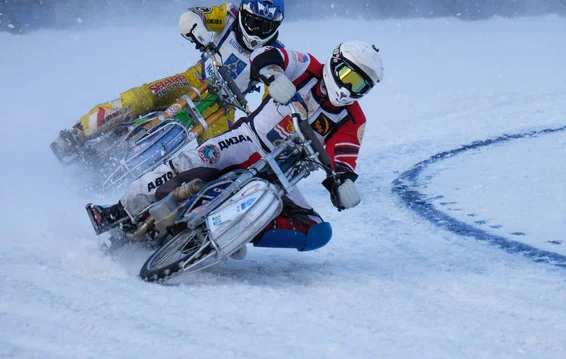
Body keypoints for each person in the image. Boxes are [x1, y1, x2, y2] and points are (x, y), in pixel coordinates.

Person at [89, 40, 384, 255]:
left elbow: (345, 157)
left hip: (282, 176)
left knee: (317, 231)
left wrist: (342, 183)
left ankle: (233, 232)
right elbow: (268, 55)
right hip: (247, 141)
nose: (348, 88)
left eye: (359, 85)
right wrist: (274, 74)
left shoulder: (353, 119)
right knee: (188, 162)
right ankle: (118, 210)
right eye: (348, 76)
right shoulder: (307, 67)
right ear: (335, 62)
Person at [51, 0, 285, 158]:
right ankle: (78, 132)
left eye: (265, 27)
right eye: (253, 22)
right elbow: (192, 15)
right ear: (243, 14)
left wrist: (273, 100)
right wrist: (197, 30)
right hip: (194, 79)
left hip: (224, 107)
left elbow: (272, 95)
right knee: (139, 98)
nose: (256, 31)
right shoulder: (228, 15)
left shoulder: (274, 53)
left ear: (275, 28)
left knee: (216, 155)